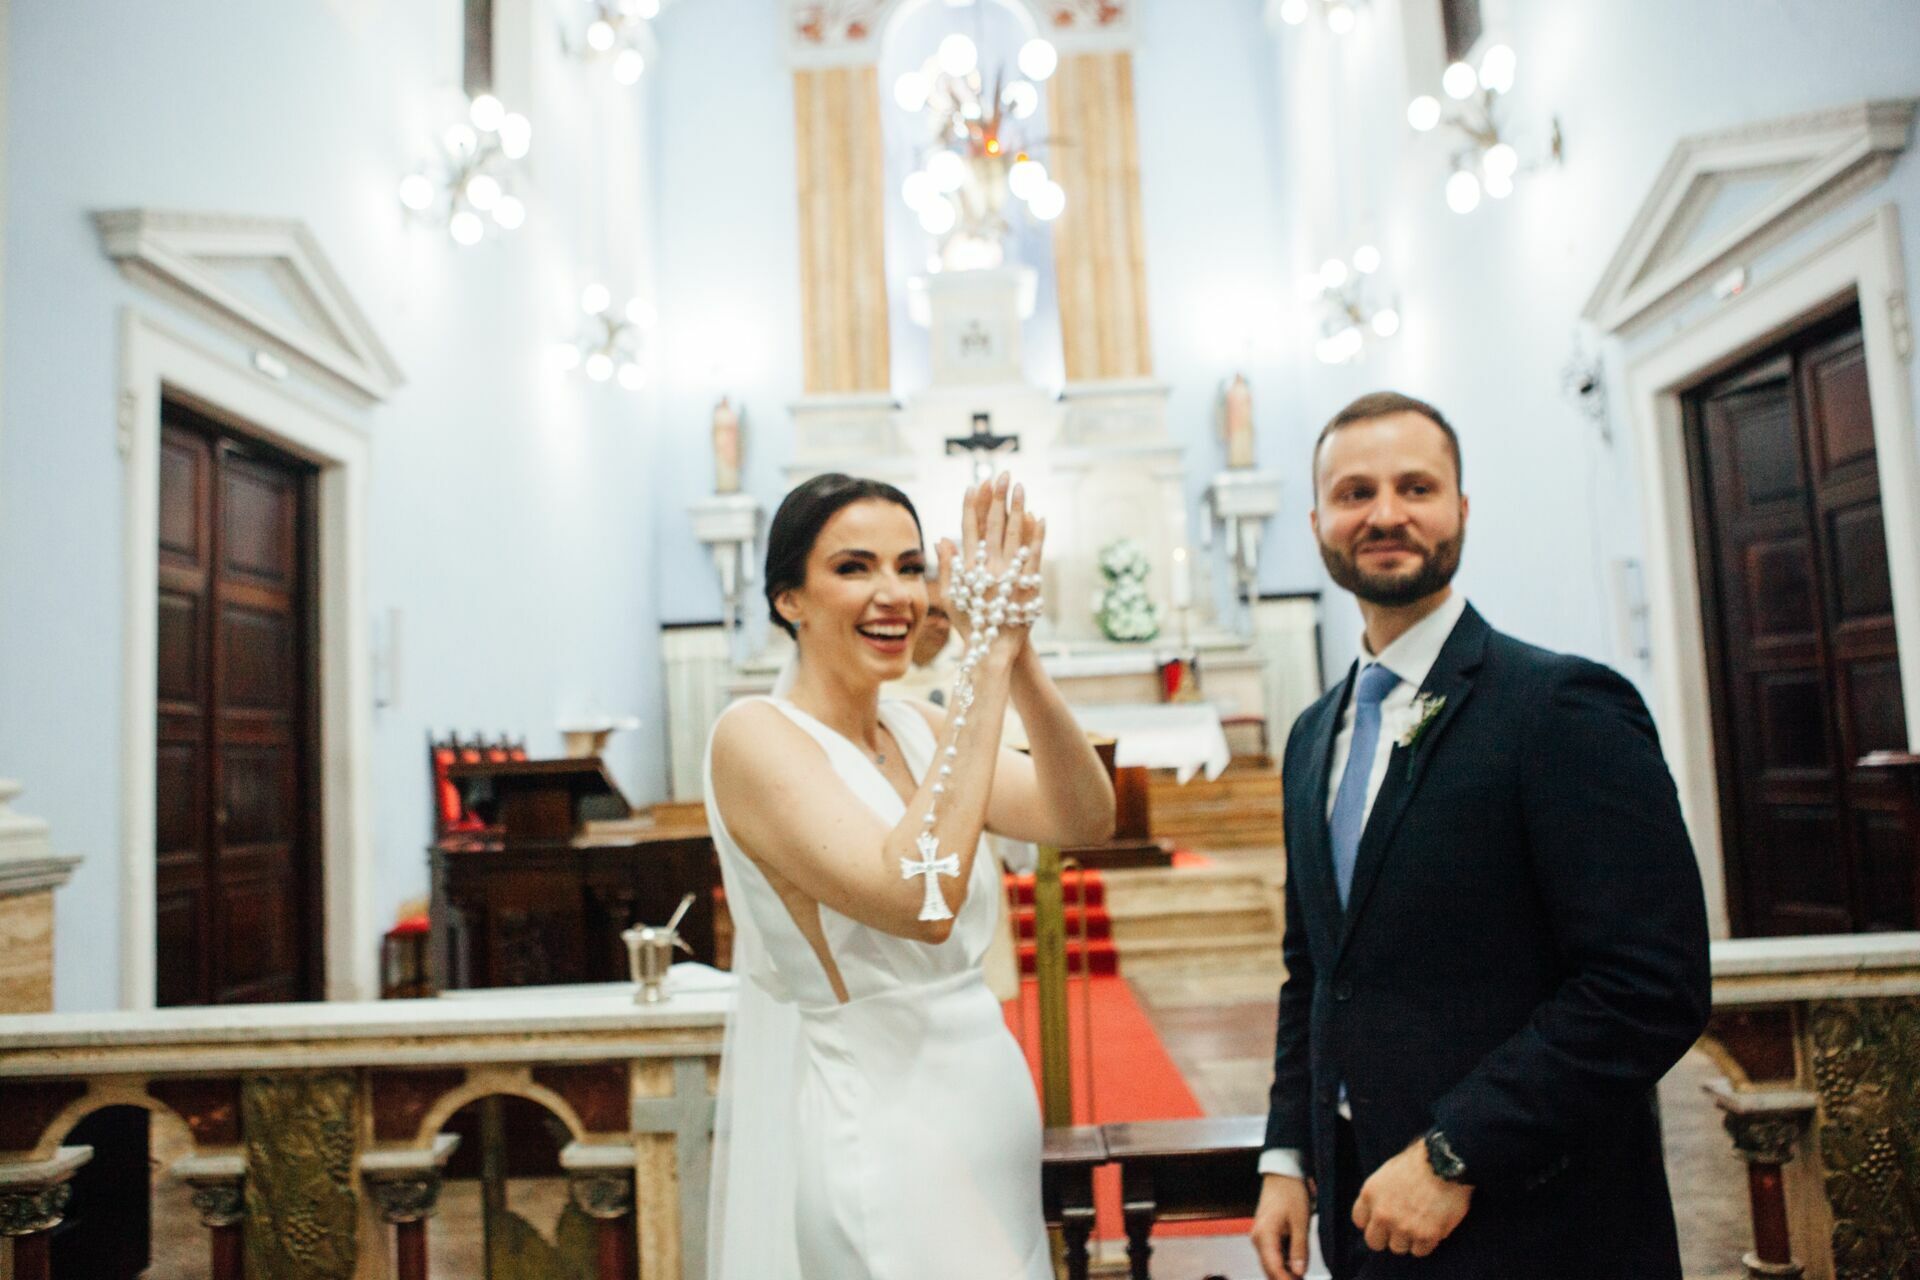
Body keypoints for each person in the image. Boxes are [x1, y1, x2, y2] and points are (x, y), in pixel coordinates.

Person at [1250, 392, 1711, 1279]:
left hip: (1538, 1224)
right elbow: (1316, 972)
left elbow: (1650, 986)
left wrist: (1454, 1151)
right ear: (1316, 524)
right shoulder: (1312, 737)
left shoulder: (1560, 708)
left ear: (1461, 509)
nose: (1385, 514)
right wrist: (1288, 1155)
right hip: (1365, 1217)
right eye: (1354, 493)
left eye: (1415, 487)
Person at [705, 471, 1115, 1280]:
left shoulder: (919, 727)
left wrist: (1018, 653)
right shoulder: (753, 737)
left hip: (989, 1117)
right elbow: (920, 903)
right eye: (854, 568)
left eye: (910, 567)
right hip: (887, 1139)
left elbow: (1083, 818)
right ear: (790, 599)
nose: (895, 594)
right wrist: (983, 663)